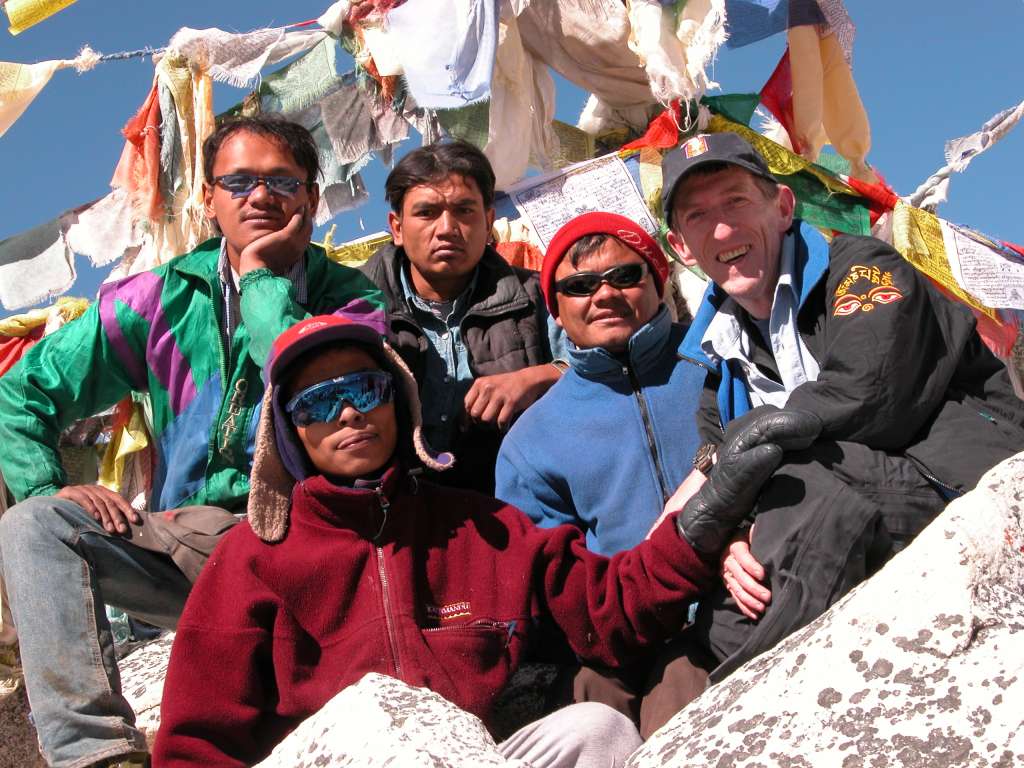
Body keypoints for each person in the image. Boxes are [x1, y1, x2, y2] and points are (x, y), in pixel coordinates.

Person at [151, 313, 817, 767]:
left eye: (364, 389)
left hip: (470, 755)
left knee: (601, 733)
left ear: (399, 401)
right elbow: (196, 738)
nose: (348, 413)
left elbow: (610, 610)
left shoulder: (481, 526)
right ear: (289, 433)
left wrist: (702, 520)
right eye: (317, 404)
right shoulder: (253, 557)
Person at [0, 116, 383, 768]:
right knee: (34, 526)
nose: (259, 196)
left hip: (316, 542)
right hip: (196, 549)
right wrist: (50, 485)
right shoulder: (155, 301)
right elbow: (20, 392)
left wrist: (263, 276)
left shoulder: (354, 301)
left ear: (312, 200)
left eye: (281, 181)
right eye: (238, 181)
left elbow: (295, 373)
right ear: (209, 199)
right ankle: (98, 757)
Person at [661, 131, 1024, 679]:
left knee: (803, 491)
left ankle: (772, 705)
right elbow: (722, 461)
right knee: (723, 607)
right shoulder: (717, 362)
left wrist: (731, 465)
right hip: (836, 508)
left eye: (737, 201)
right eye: (697, 216)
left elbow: (869, 392)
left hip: (958, 483)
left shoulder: (862, 270)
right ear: (682, 247)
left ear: (783, 207)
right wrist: (734, 539)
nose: (722, 228)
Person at [494, 212, 714, 737]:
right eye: (580, 285)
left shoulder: (719, 359)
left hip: (740, 604)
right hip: (618, 642)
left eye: (625, 276)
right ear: (556, 305)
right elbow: (549, 580)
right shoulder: (532, 438)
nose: (605, 294)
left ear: (658, 280)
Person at [361, 140, 566, 494]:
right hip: (392, 511)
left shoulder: (539, 295)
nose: (446, 228)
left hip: (516, 504)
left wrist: (538, 377)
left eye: (464, 211)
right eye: (427, 213)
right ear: (396, 227)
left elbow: (601, 368)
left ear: (488, 223)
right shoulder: (356, 308)